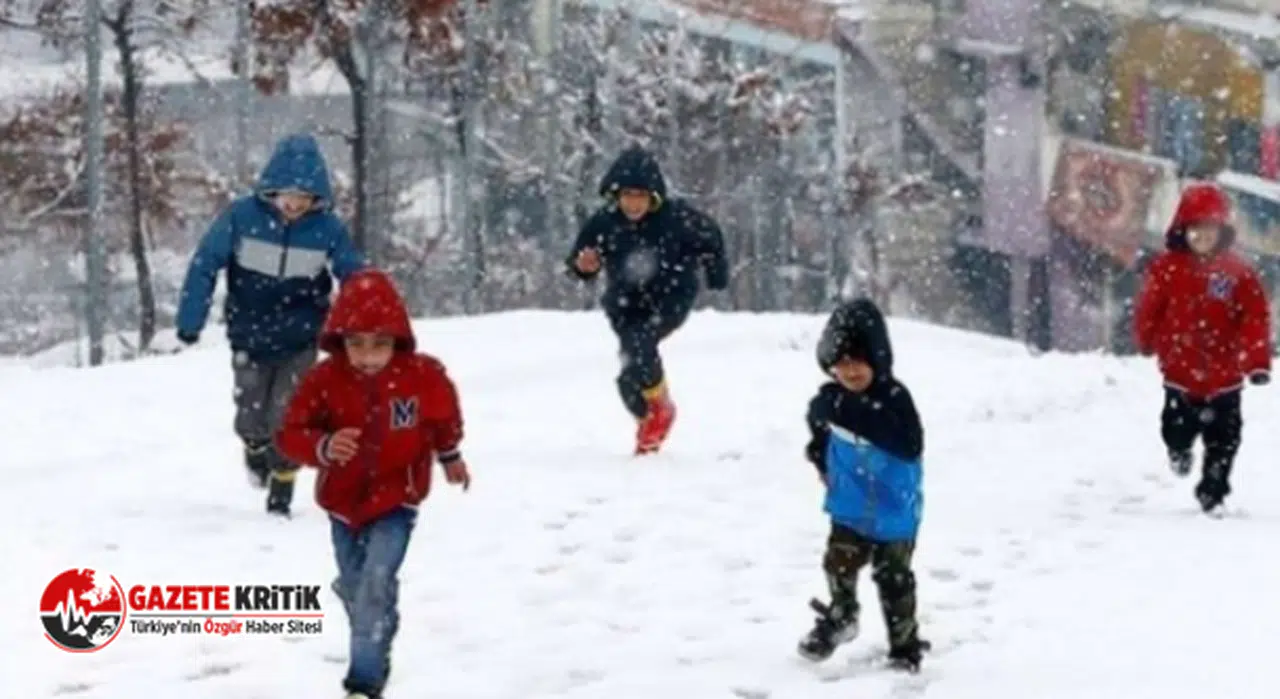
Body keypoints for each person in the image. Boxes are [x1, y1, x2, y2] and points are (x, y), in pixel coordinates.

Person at [275, 268, 471, 699]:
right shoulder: (324, 381)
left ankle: (364, 681)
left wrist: (450, 454)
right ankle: (376, 620)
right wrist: (323, 446)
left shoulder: (421, 375)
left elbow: (442, 417)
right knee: (354, 584)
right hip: (343, 503)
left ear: (397, 340)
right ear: (339, 340)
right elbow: (290, 433)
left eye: (379, 344)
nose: (367, 356)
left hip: (397, 498)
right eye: (356, 344)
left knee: (376, 579)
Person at [175, 133, 365, 517]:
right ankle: (255, 449)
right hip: (249, 332)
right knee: (251, 412)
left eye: (305, 197)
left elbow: (355, 276)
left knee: (289, 413)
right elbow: (205, 264)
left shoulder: (327, 229)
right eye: (288, 195)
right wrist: (190, 319)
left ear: (318, 198)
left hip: (300, 337)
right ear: (272, 190)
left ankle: (283, 482)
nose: (294, 205)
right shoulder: (242, 218)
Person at [565, 145, 730, 454]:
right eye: (627, 196)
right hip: (624, 304)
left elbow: (711, 236)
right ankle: (651, 412)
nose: (633, 204)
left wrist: (716, 273)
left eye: (641, 196)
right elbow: (579, 259)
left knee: (642, 345)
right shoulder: (604, 222)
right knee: (629, 377)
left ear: (654, 196)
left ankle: (660, 413)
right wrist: (582, 266)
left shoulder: (678, 218)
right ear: (616, 196)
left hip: (669, 299)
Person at [798, 298, 930, 673]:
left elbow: (908, 443)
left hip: (894, 507)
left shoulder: (894, 398)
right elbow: (820, 428)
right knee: (838, 562)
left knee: (894, 579)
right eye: (840, 364)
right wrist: (819, 454)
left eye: (858, 361)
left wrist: (851, 412)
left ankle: (904, 646)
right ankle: (841, 617)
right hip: (851, 503)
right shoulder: (828, 400)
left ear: (878, 358)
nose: (850, 371)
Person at [1134, 181, 1272, 516]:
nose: (1202, 238)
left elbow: (1254, 317)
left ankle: (1213, 491)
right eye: (1195, 230)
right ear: (1183, 230)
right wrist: (1146, 337)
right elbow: (1149, 307)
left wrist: (1256, 362)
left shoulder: (1239, 273)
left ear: (1221, 231)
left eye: (1209, 230)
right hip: (1180, 372)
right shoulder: (1167, 269)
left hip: (1225, 376)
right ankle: (1179, 450)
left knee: (1224, 440)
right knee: (1175, 427)